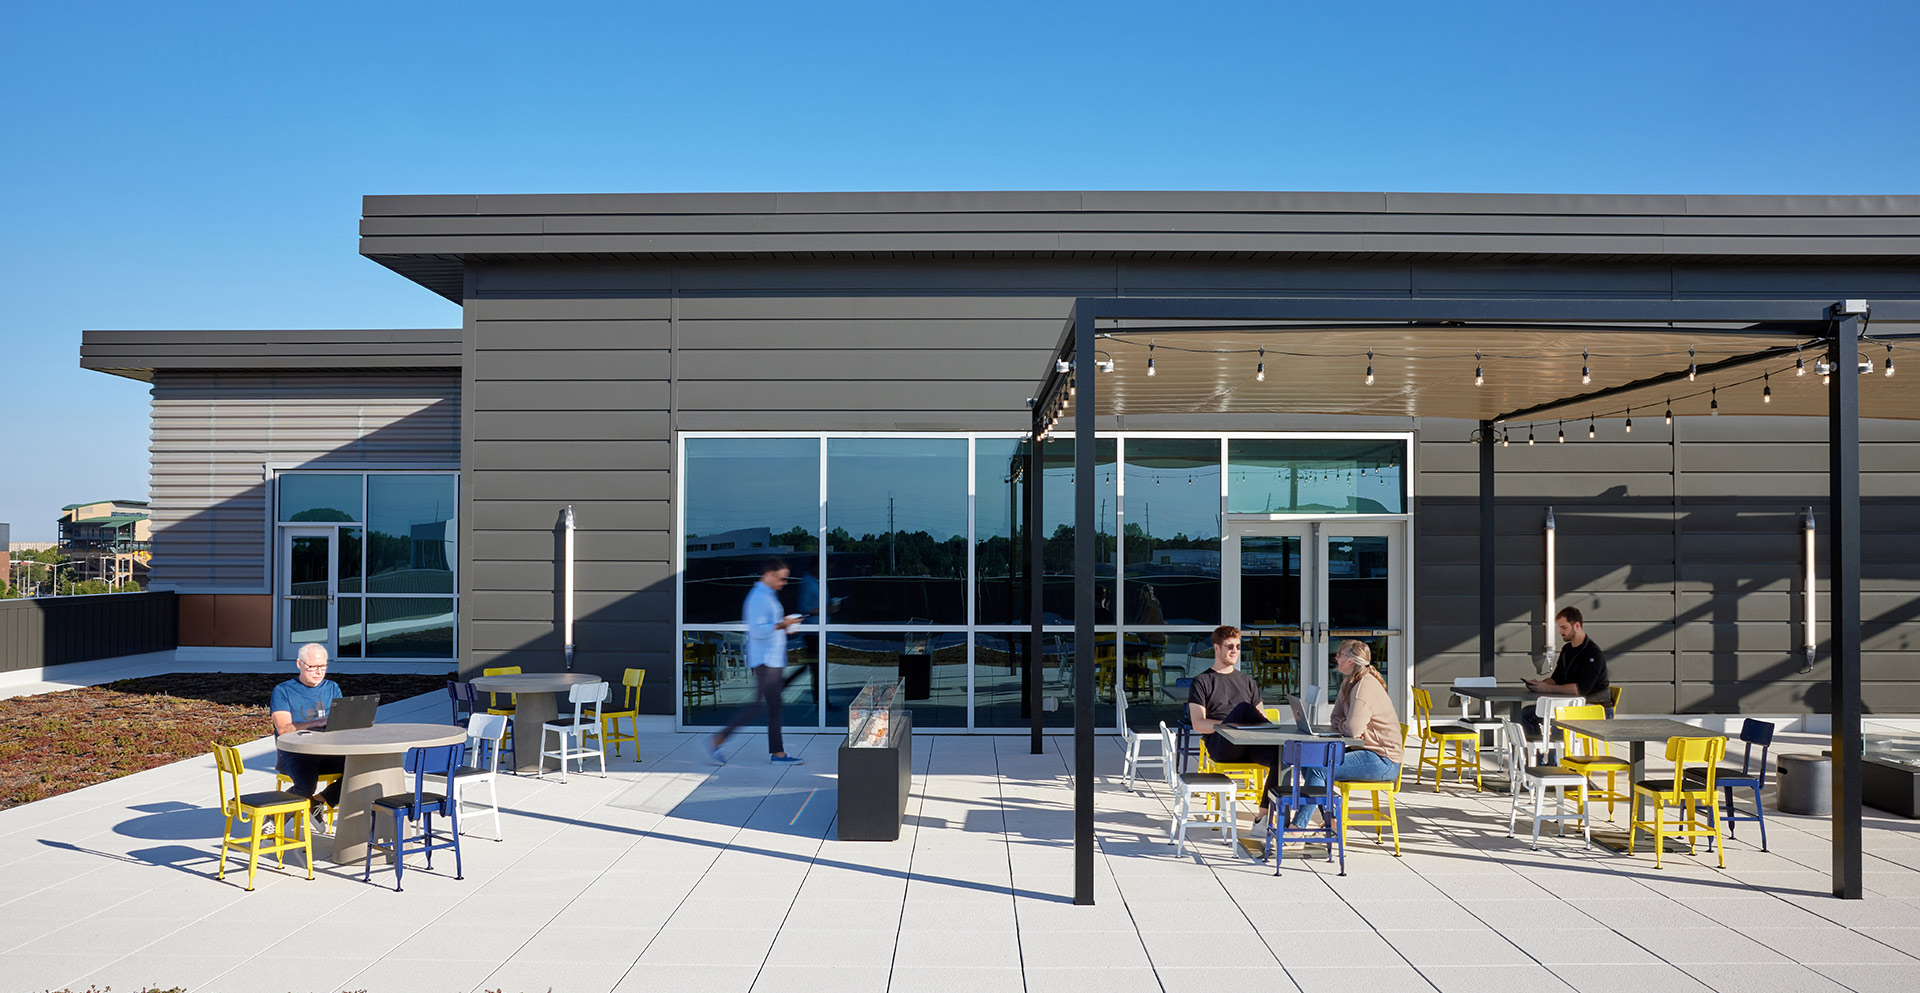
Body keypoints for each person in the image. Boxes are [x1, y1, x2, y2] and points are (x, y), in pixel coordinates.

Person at [1292, 640, 1403, 826]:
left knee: (1320, 770)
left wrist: (1345, 724)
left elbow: (1352, 730)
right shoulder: (1349, 682)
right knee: (1309, 761)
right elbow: (1336, 717)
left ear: (1351, 661)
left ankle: (1297, 827)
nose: (1336, 658)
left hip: (1384, 760)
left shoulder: (1364, 687)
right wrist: (1345, 723)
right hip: (1366, 751)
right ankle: (1333, 820)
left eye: (1340, 655)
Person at [710, 558, 804, 765]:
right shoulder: (758, 598)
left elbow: (770, 626)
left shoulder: (768, 596)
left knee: (772, 706)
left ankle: (777, 753)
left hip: (772, 661)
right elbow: (758, 630)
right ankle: (719, 739)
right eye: (781, 578)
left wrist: (786, 625)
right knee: (760, 707)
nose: (784, 582)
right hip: (765, 662)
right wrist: (783, 624)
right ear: (769, 575)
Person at [1187, 625, 1282, 826]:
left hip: (1250, 743)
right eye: (1230, 646)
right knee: (1244, 709)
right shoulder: (1201, 681)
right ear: (1216, 648)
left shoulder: (1247, 681)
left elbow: (1261, 716)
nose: (1234, 651)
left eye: (1238, 647)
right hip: (1223, 745)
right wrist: (1231, 725)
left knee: (1282, 756)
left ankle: (1263, 815)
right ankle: (1271, 732)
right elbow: (1198, 724)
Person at [271, 643, 344, 818]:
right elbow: (283, 729)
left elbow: (341, 721)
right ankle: (274, 818)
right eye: (313, 667)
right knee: (306, 785)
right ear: (300, 664)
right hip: (295, 753)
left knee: (359, 771)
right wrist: (319, 722)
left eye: (323, 666)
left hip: (328, 750)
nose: (319, 672)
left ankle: (318, 801)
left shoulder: (332, 687)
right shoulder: (283, 691)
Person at [1519, 606, 1611, 736]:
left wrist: (1547, 689)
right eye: (1559, 628)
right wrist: (1540, 684)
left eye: (1564, 628)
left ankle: (1555, 756)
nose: (1561, 632)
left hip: (1596, 709)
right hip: (1570, 707)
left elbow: (1580, 689)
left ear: (1577, 625)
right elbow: (1557, 678)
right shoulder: (1567, 649)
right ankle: (1540, 756)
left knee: (1558, 723)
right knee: (1525, 714)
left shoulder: (1593, 653)